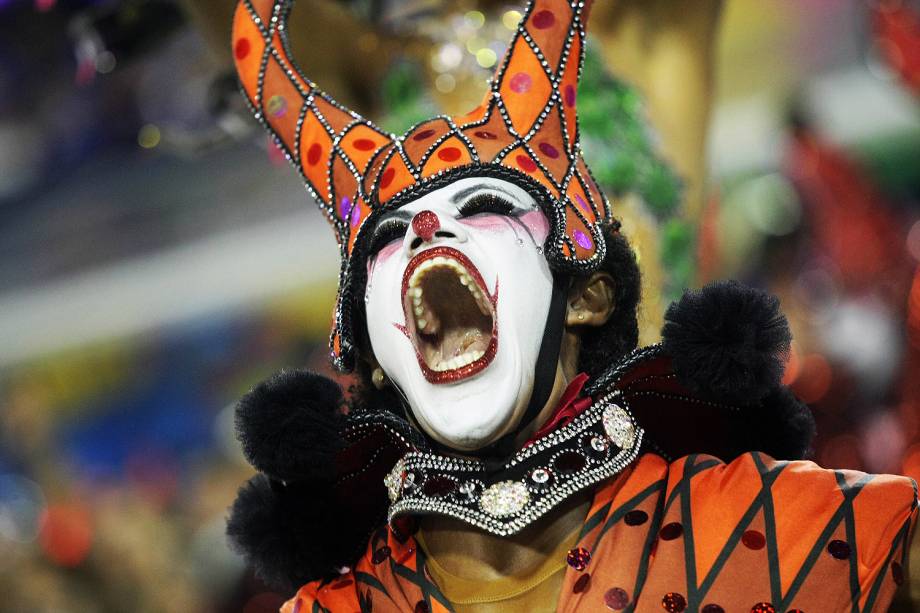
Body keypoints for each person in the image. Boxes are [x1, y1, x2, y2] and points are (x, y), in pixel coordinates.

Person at [225, 0, 919, 610]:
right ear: (372, 350)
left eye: (487, 206)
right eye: (389, 237)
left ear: (589, 293)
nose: (429, 231)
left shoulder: (765, 530)